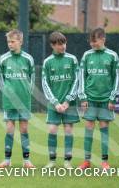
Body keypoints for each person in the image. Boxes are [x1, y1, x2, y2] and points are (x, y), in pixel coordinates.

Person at [78, 27, 119, 169]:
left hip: (105, 100)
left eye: (94, 41)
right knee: (89, 128)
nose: (92, 44)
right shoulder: (86, 55)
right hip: (90, 99)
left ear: (103, 39)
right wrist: (83, 97)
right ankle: (86, 161)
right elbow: (82, 77)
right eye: (90, 41)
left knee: (104, 129)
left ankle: (104, 161)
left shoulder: (112, 56)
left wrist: (112, 98)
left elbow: (117, 78)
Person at [0, 29, 35, 168]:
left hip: (24, 100)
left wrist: (26, 93)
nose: (10, 44)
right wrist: (7, 92)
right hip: (9, 100)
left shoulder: (28, 59)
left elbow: (32, 79)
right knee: (9, 129)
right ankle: (7, 160)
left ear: (20, 42)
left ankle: (26, 161)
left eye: (13, 41)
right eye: (8, 42)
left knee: (24, 129)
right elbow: (1, 80)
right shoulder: (3, 59)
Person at [42, 31, 79, 168]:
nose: (62, 46)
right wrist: (56, 103)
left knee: (68, 130)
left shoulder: (72, 59)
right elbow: (45, 84)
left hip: (69, 103)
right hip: (54, 104)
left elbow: (77, 81)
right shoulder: (47, 62)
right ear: (52, 45)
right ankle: (52, 160)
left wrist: (67, 101)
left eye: (64, 43)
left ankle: (67, 161)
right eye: (59, 44)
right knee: (52, 130)